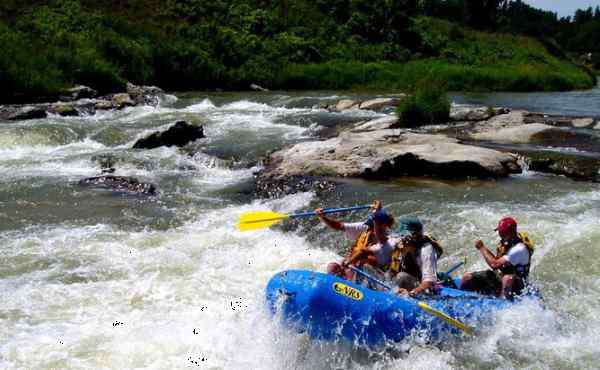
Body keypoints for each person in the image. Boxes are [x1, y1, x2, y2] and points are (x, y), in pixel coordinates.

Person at [316, 200, 395, 281]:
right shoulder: (365, 227)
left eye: (374, 226)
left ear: (384, 226)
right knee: (332, 267)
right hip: (351, 265)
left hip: (369, 272)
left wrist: (349, 262)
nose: (371, 229)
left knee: (364, 265)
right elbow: (339, 226)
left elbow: (367, 255)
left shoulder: (388, 242)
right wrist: (323, 217)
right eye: (371, 225)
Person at [459, 217, 534, 299]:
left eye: (501, 232)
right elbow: (496, 260)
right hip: (501, 275)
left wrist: (482, 248)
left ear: (507, 234)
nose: (499, 234)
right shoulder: (508, 241)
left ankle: (503, 303)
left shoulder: (519, 249)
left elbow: (494, 264)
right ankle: (461, 297)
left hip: (517, 284)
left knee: (507, 278)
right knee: (466, 277)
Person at [388, 216, 443, 297]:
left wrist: (412, 293)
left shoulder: (426, 250)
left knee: (401, 277)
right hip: (408, 281)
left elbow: (429, 281)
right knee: (387, 274)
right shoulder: (402, 245)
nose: (401, 239)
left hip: (423, 289)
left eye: (403, 236)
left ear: (413, 237)